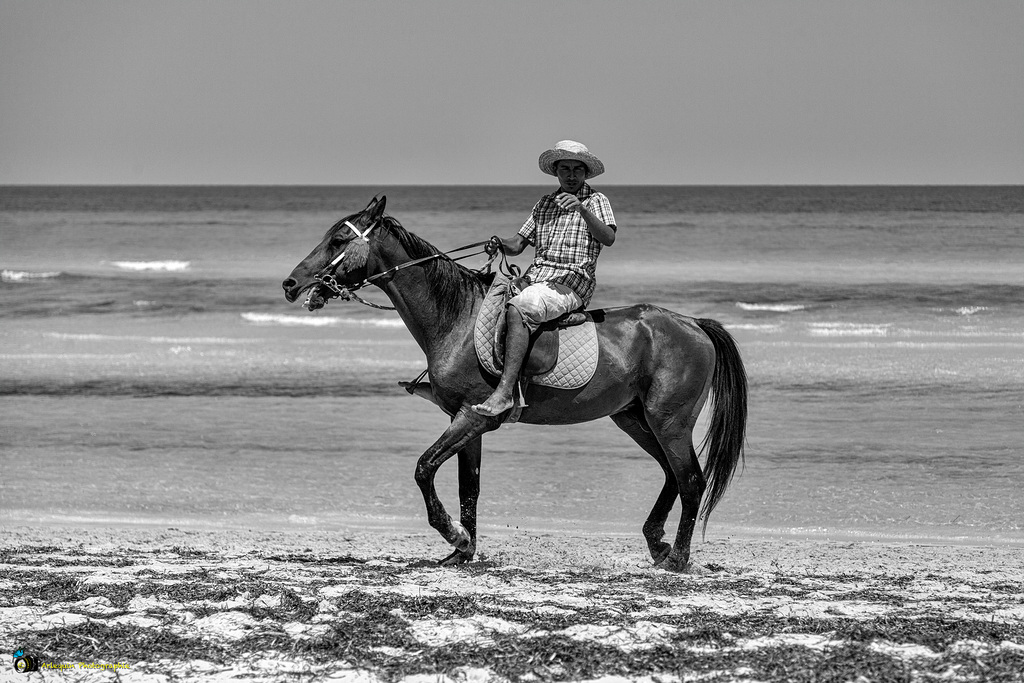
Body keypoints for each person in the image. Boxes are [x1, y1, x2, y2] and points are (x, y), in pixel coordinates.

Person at [472, 140, 617, 417]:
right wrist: (498, 243)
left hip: (572, 283)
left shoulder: (597, 201)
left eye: (577, 169)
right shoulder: (544, 204)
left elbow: (608, 238)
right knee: (480, 303)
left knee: (520, 308)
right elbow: (517, 244)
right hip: (535, 278)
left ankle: (505, 393)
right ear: (556, 172)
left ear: (585, 173)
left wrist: (582, 210)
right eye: (565, 169)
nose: (571, 175)